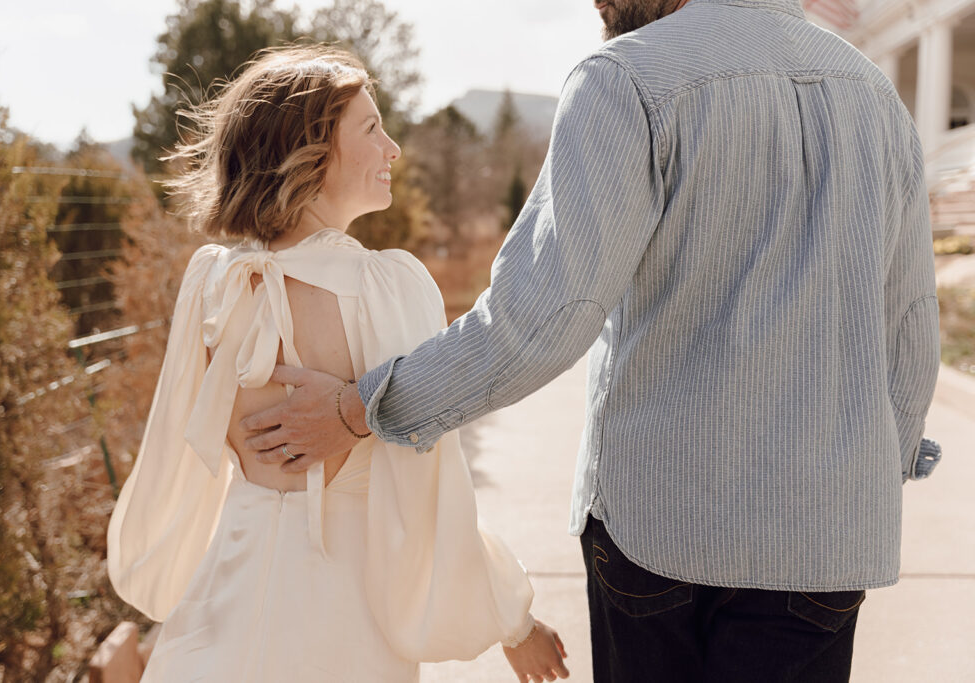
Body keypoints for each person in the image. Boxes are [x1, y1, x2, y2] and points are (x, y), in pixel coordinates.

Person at [242, 1, 942, 681]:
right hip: (826, 540)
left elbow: (540, 319)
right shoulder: (876, 96)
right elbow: (910, 330)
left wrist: (353, 410)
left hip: (661, 529)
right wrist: (874, 467)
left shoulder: (628, 79)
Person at [106, 46, 570, 683]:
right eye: (371, 128)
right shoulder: (386, 290)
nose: (393, 149)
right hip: (341, 617)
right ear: (313, 153)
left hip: (225, 601)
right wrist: (513, 623)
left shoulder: (215, 282)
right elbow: (432, 492)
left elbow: (173, 458)